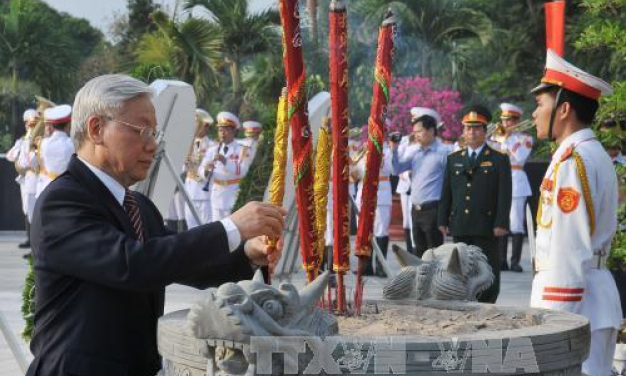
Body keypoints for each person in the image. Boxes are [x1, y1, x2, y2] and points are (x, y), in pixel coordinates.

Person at [26, 74, 285, 376]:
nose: (152, 146)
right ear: (96, 129)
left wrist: (246, 254)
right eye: (142, 131)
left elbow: (180, 263)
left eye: (155, 134)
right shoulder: (63, 201)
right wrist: (231, 227)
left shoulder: (138, 207)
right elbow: (132, 264)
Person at [529, 49, 622, 376]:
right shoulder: (590, 154)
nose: (534, 114)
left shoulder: (573, 163)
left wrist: (556, 320)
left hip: (575, 304)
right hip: (591, 299)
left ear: (564, 109)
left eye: (540, 104)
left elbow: (569, 248)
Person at [438, 105, 512, 303]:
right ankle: (463, 300)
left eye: (477, 128)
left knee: (488, 269)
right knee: (461, 268)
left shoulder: (498, 159)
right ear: (463, 131)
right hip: (461, 222)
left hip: (487, 225)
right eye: (468, 128)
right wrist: (442, 218)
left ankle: (487, 302)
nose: (472, 132)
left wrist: (501, 222)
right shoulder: (454, 159)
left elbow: (505, 193)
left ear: (485, 130)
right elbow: (447, 191)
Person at [391, 107, 448, 257]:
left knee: (435, 253)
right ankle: (421, 280)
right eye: (414, 132)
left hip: (433, 209)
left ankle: (437, 281)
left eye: (419, 131)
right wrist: (394, 150)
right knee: (419, 251)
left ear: (431, 130)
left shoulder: (444, 152)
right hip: (415, 210)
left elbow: (450, 183)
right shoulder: (414, 151)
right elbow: (396, 169)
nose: (415, 135)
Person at [489, 103, 534, 272]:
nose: (506, 124)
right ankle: (501, 261)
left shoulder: (525, 139)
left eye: (509, 120)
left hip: (516, 181)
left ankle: (515, 261)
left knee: (516, 223)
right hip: (499, 181)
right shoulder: (498, 137)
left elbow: (521, 156)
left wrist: (509, 138)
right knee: (501, 221)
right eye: (504, 120)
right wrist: (498, 138)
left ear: (517, 121)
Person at [199, 112, 251, 221]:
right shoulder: (212, 149)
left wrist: (225, 161)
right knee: (216, 228)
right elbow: (201, 169)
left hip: (233, 194)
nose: (222, 133)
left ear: (232, 131)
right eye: (220, 130)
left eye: (225, 130)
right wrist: (206, 171)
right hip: (217, 194)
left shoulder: (242, 149)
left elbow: (243, 171)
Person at [352, 141, 393, 276]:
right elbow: (355, 175)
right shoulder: (362, 151)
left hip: (381, 195)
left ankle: (381, 266)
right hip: (363, 196)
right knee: (363, 230)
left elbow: (385, 167)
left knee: (381, 231)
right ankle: (365, 266)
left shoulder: (388, 150)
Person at [6, 109, 39, 249]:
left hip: (35, 177)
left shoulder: (38, 140)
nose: (29, 126)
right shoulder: (22, 140)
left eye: (32, 124)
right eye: (27, 124)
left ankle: (34, 241)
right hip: (25, 178)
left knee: (33, 209)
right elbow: (10, 155)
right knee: (26, 209)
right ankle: (29, 239)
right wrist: (18, 152)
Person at [183, 109, 217, 228]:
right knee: (190, 229)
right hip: (189, 192)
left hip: (203, 193)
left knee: (206, 228)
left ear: (206, 127)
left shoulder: (212, 146)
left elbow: (209, 172)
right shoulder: (188, 144)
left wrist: (198, 173)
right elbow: (183, 169)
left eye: (198, 125)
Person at [35, 104, 75, 198]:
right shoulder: (72, 144)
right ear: (68, 125)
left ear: (52, 126)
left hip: (47, 187)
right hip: (67, 188)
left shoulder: (43, 143)